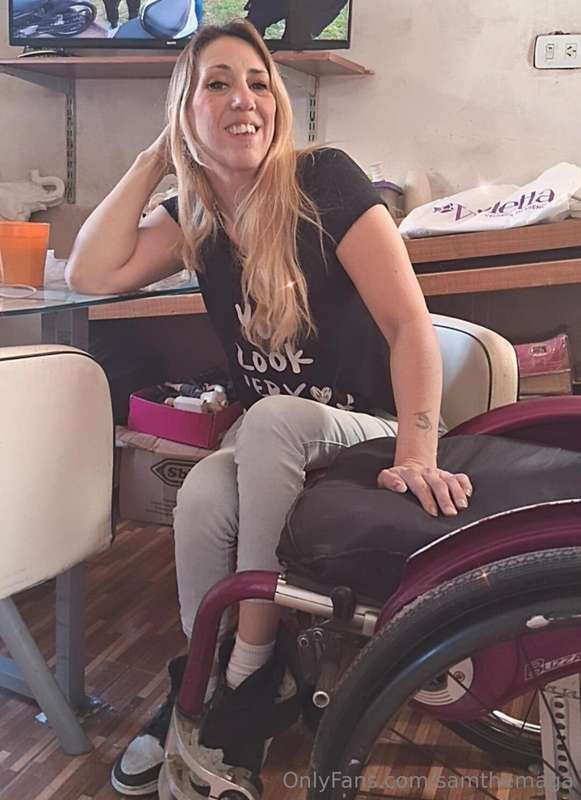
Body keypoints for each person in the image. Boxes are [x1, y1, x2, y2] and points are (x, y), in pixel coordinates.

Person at [66, 19, 472, 797]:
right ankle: (202, 683)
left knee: (274, 415)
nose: (243, 99)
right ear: (184, 110)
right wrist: (155, 158)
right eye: (216, 84)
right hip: (274, 442)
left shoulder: (324, 180)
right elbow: (92, 271)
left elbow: (409, 327)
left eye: (257, 82)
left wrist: (417, 451)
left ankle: (244, 682)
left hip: (368, 430)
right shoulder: (196, 213)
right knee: (201, 493)